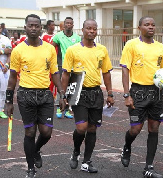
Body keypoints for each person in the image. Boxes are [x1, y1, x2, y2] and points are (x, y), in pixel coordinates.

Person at [5, 14, 66, 178]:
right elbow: (12, 77)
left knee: (46, 132)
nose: (33, 28)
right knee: (30, 132)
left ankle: (36, 149)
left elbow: (55, 73)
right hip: (26, 94)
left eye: (36, 26)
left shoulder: (49, 48)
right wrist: (8, 101)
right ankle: (30, 168)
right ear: (25, 27)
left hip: (45, 94)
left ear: (41, 28)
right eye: (30, 25)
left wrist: (62, 94)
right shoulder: (18, 50)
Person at [61, 19, 115, 173]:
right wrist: (63, 95)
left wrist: (110, 93)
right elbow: (66, 74)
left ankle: (86, 161)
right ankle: (76, 151)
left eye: (94, 29)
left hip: (96, 92)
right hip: (79, 92)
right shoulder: (73, 50)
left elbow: (106, 73)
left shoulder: (102, 50)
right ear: (82, 30)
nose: (92, 31)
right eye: (89, 28)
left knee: (92, 128)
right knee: (81, 127)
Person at [120, 17, 163, 178]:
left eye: (153, 25)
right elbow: (125, 69)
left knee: (154, 128)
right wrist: (127, 94)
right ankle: (127, 146)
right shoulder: (131, 45)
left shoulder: (161, 47)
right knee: (135, 129)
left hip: (156, 92)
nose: (150, 27)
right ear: (139, 27)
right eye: (147, 25)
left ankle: (149, 167)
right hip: (138, 92)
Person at [52, 17, 81, 119]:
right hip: (62, 65)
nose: (68, 25)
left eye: (70, 23)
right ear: (64, 25)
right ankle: (60, 107)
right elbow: (51, 48)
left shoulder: (77, 38)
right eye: (67, 23)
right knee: (61, 87)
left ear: (73, 25)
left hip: (74, 66)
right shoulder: (58, 36)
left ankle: (68, 109)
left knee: (71, 88)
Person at [42, 20, 57, 97]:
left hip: (55, 60)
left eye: (54, 25)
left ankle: (54, 94)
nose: (53, 27)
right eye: (52, 25)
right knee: (48, 77)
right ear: (48, 26)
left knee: (55, 76)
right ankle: (49, 92)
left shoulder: (56, 36)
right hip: (47, 60)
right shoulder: (43, 36)